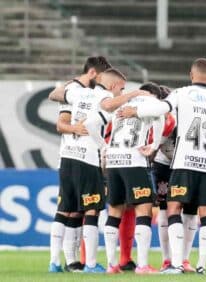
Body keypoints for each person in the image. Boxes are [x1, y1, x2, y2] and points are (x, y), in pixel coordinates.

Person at [117, 58, 206, 274]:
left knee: (173, 208)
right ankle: (201, 265)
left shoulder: (182, 93)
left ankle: (175, 263)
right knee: (205, 213)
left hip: (182, 164)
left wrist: (136, 111)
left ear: (191, 74)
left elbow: (161, 108)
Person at [48, 68, 145, 273]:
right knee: (91, 209)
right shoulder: (105, 96)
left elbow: (54, 94)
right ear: (113, 86)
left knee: (64, 208)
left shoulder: (79, 92)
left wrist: (75, 82)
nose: (121, 93)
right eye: (122, 89)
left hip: (67, 155)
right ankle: (91, 264)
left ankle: (54, 262)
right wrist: (135, 94)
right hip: (87, 158)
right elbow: (104, 109)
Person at [48, 56, 111, 273]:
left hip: (71, 156)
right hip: (80, 157)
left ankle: (68, 262)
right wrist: (75, 129)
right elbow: (61, 124)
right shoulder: (75, 90)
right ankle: (79, 263)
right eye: (102, 77)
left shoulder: (82, 92)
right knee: (84, 209)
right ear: (93, 73)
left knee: (72, 210)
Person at [98, 82, 164, 274]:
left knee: (114, 212)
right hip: (134, 160)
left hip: (114, 161)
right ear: (154, 95)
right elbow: (160, 119)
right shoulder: (150, 102)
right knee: (143, 210)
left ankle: (111, 265)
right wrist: (154, 145)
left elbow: (96, 123)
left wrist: (104, 146)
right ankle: (142, 265)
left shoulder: (120, 103)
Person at [151, 86, 198, 272]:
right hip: (164, 165)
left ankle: (184, 259)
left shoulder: (186, 114)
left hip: (185, 165)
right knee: (164, 210)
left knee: (190, 210)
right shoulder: (161, 119)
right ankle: (166, 259)